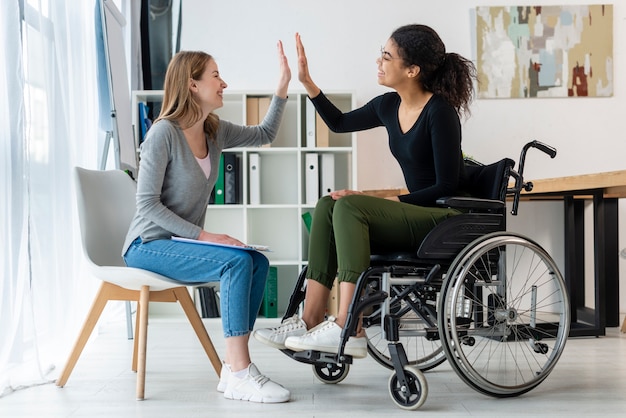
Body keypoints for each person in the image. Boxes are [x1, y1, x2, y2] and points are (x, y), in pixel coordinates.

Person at [253, 25, 477, 358]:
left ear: (412, 70)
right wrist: (307, 82)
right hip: (417, 213)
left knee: (351, 206)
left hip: (443, 217)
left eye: (387, 56)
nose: (379, 61)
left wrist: (383, 199)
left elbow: (445, 187)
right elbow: (340, 123)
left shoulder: (440, 113)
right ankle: (311, 318)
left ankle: (348, 325)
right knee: (329, 203)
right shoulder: (388, 105)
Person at [122, 43, 292, 403]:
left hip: (183, 244)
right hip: (147, 245)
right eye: (216, 75)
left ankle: (233, 368)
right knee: (234, 260)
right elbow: (147, 204)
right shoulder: (162, 134)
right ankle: (242, 372)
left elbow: (264, 135)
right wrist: (206, 235)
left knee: (255, 261)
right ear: (193, 85)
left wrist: (281, 89)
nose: (223, 83)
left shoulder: (214, 131)